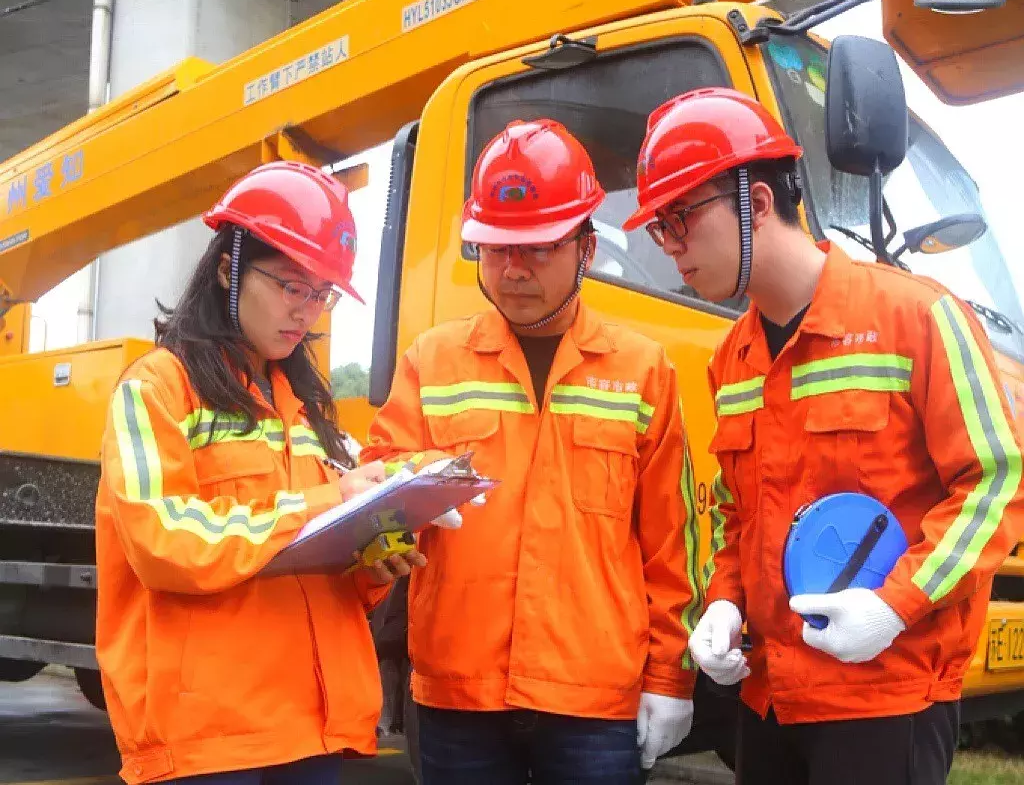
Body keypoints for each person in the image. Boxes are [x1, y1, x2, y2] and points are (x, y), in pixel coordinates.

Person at [623, 87, 1024, 785]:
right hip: (770, 700)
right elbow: (736, 517)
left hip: (884, 698)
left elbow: (995, 483)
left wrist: (894, 605)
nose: (670, 248)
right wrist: (724, 601)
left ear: (756, 203)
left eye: (681, 217)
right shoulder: (733, 361)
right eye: (659, 228)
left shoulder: (919, 317)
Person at [360, 118, 703, 784]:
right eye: (495, 248)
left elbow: (672, 543)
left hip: (593, 700)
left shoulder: (643, 369)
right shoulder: (432, 362)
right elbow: (373, 505)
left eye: (538, 247)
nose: (513, 269)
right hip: (459, 695)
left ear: (586, 247)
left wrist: (672, 677)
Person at [95, 161, 426, 785]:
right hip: (211, 737)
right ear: (229, 268)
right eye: (289, 286)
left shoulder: (304, 406)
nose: (305, 311)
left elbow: (318, 568)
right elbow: (162, 541)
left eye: (321, 293)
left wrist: (377, 560)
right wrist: (320, 507)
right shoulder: (157, 390)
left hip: (313, 729)